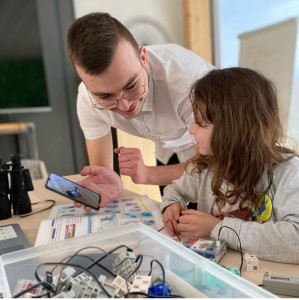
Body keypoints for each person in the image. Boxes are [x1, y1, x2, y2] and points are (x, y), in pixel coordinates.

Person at [66, 12, 214, 198]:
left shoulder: (189, 84)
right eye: (106, 96)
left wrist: (147, 174)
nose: (125, 105)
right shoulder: (88, 101)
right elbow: (102, 176)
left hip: (221, 151)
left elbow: (211, 169)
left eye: (131, 86)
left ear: (143, 58)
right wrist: (106, 186)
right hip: (167, 151)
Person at [160, 67, 299, 263]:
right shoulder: (206, 167)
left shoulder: (288, 173)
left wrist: (218, 228)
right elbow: (175, 190)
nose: (191, 129)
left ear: (232, 132)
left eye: (200, 123)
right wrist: (170, 205)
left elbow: (296, 240)